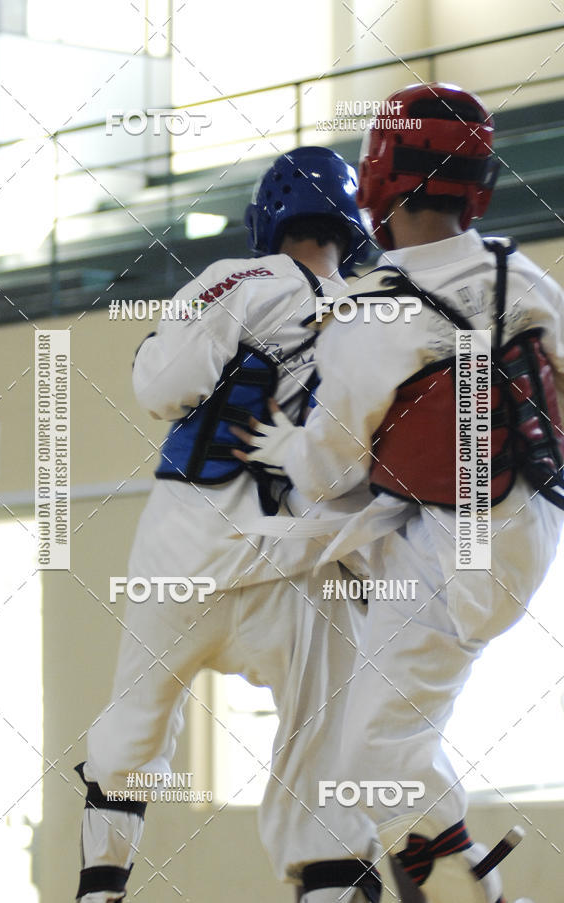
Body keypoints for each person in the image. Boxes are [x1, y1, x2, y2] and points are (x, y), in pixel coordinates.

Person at [235, 83, 564, 903]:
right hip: (523, 526)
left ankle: (460, 879)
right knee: (388, 742)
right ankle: (448, 867)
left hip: (451, 552)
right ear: (478, 182)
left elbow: (329, 468)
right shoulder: (518, 271)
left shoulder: (371, 314)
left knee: (375, 755)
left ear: (378, 176)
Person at [74, 147, 385, 903]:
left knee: (133, 730)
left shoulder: (234, 279)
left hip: (186, 552)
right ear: (355, 226)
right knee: (323, 775)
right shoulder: (381, 312)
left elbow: (161, 386)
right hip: (306, 567)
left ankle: (99, 887)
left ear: (267, 216)